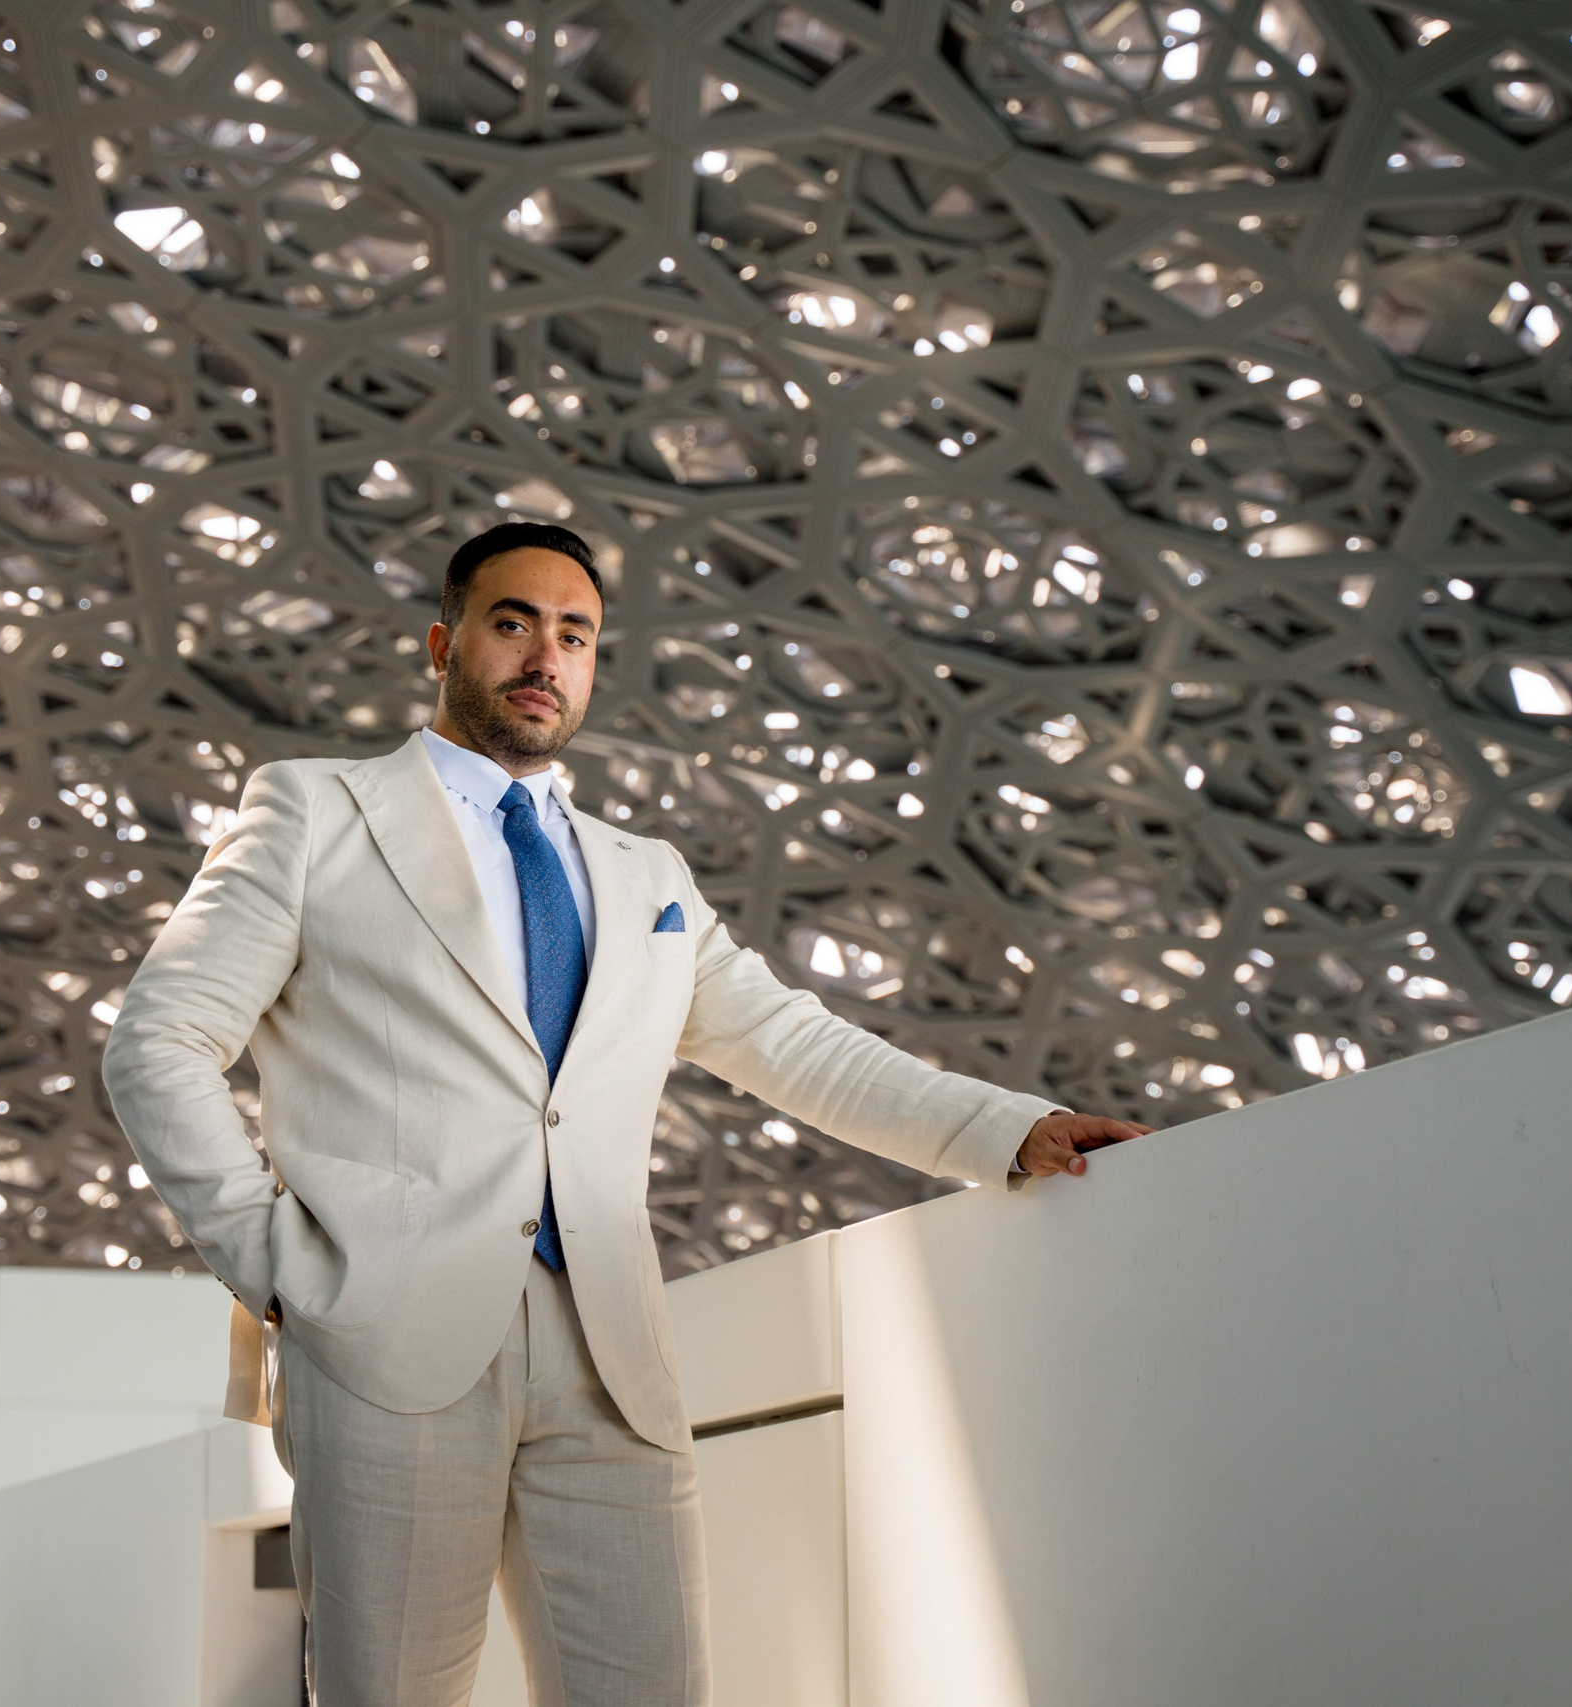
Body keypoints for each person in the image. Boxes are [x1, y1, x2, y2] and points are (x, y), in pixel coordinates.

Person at [102, 521, 1150, 1706]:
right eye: (513, 624)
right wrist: (280, 1267)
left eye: (575, 634)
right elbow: (159, 1042)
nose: (545, 656)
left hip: (609, 1353)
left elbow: (792, 1044)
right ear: (443, 645)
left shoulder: (644, 874)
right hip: (382, 1336)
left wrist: (1009, 1129)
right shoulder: (311, 812)